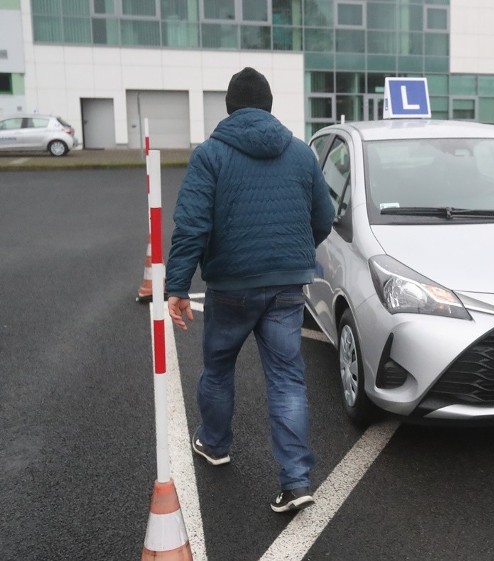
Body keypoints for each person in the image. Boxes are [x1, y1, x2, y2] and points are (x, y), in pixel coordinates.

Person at [165, 67, 335, 514]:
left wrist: (177, 286)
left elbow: (191, 227)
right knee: (287, 380)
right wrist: (295, 255)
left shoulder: (211, 155)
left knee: (218, 368)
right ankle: (296, 482)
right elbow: (324, 216)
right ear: (270, 105)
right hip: (286, 288)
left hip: (230, 288)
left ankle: (215, 443)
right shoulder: (300, 154)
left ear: (230, 107)